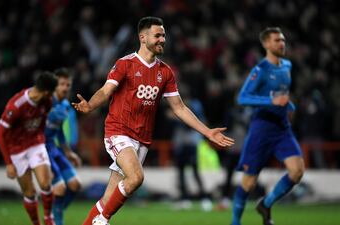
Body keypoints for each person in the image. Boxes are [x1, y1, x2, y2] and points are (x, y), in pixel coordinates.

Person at [73, 16, 234, 225]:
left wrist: (207, 132)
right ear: (143, 37)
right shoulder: (125, 64)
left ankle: (98, 217)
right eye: (158, 35)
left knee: (107, 200)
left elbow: (179, 107)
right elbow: (106, 90)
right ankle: (102, 220)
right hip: (118, 131)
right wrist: (91, 105)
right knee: (136, 178)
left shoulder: (165, 72)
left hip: (142, 140)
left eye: (164, 35)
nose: (162, 39)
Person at [231, 27, 305, 225]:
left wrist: (287, 104)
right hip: (261, 129)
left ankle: (266, 204)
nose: (281, 43)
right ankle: (235, 222)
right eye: (276, 40)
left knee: (297, 171)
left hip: (282, 128)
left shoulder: (287, 66)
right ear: (266, 44)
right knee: (249, 182)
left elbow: (281, 93)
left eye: (282, 39)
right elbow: (243, 97)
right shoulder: (260, 70)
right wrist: (271, 102)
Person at [0, 71, 58, 225]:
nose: (52, 97)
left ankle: (48, 218)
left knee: (45, 183)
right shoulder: (16, 105)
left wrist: (41, 139)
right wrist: (8, 163)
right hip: (16, 150)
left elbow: (42, 122)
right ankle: (36, 223)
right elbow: (0, 134)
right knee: (30, 193)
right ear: (46, 92)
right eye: (51, 93)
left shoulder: (47, 102)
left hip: (35, 144)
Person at [45, 68, 82, 225]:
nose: (65, 88)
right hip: (41, 149)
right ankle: (55, 219)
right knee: (60, 188)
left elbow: (59, 130)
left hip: (54, 148)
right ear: (54, 86)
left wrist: (68, 152)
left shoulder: (66, 105)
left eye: (68, 84)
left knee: (75, 185)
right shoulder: (46, 102)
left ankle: (55, 211)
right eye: (62, 84)